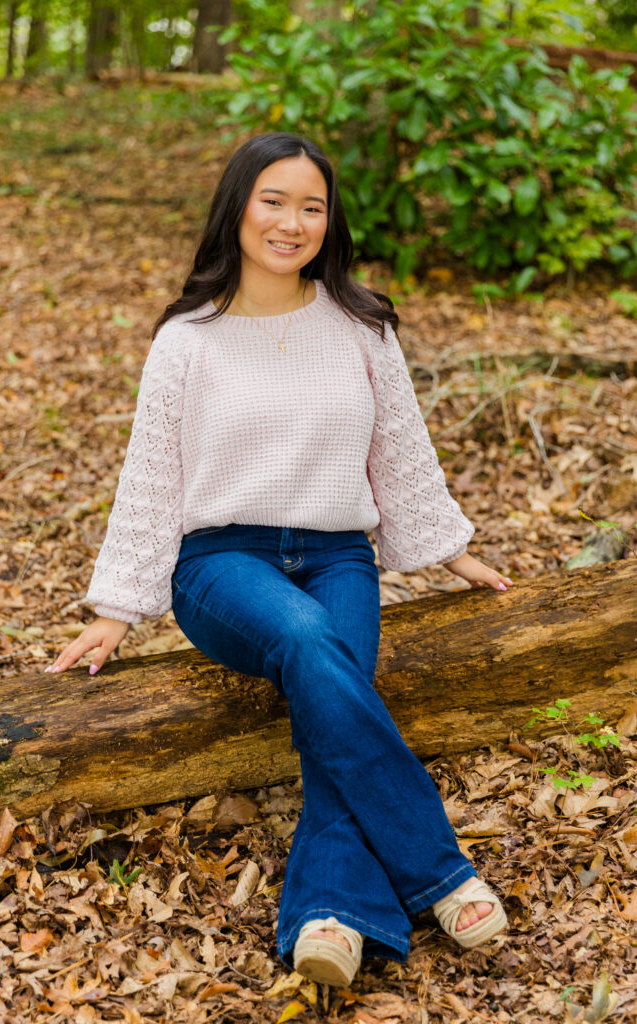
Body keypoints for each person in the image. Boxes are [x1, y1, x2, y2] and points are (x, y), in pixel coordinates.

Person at [47, 132, 512, 988]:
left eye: (311, 206)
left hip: (339, 556)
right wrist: (117, 609)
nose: (292, 221)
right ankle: (439, 873)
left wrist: (450, 551)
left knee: (334, 689)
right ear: (237, 208)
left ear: (328, 223)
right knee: (308, 641)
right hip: (222, 566)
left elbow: (399, 452)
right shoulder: (187, 340)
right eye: (274, 200)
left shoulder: (363, 328)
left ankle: (329, 918)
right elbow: (151, 479)